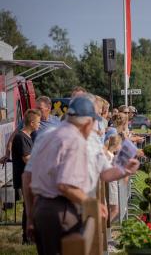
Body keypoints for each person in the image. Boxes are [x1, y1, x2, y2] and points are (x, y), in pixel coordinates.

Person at [28, 96, 140, 255]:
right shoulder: (75, 140)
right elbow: (65, 185)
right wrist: (90, 203)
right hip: (62, 210)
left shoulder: (46, 135)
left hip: (42, 208)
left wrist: (31, 216)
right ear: (87, 123)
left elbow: (28, 176)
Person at [0, 96, 61, 164]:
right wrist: (7, 154)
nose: (36, 110)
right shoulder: (30, 120)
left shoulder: (57, 121)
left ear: (48, 108)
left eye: (39, 108)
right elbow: (13, 137)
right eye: (36, 108)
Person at [11, 109, 41, 244]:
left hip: (31, 176)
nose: (40, 125)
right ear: (32, 123)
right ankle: (27, 238)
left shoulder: (28, 137)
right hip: (25, 177)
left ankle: (31, 236)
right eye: (38, 122)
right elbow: (27, 159)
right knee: (28, 207)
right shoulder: (20, 137)